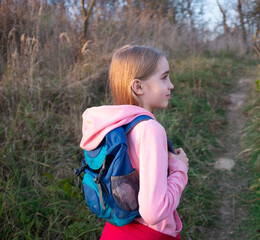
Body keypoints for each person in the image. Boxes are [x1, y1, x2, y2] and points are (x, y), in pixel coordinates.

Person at [79, 45, 189, 240]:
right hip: (148, 234)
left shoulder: (114, 126)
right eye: (164, 77)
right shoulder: (150, 130)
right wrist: (179, 170)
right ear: (138, 86)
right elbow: (154, 212)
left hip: (117, 230)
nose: (171, 85)